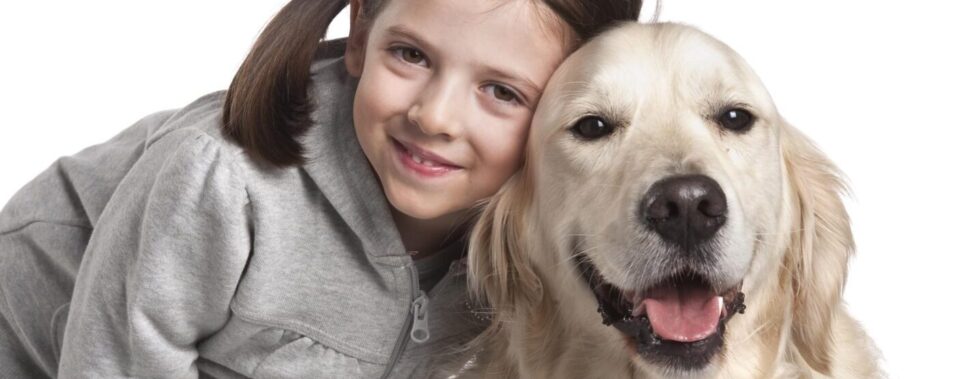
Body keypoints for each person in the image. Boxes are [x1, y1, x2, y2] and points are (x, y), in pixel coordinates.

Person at [0, 0, 643, 377]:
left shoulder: (542, 227)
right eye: (411, 56)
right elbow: (113, 359)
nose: (435, 118)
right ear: (362, 34)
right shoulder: (223, 181)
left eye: (502, 92)